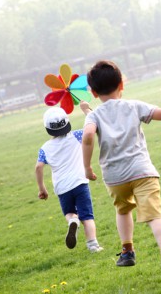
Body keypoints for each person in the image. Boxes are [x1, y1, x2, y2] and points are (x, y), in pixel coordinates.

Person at [82, 60, 161, 285]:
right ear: (122, 84)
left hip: (115, 177)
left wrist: (87, 166)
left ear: (93, 92)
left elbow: (88, 136)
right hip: (142, 171)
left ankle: (127, 251)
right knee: (155, 215)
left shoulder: (94, 116)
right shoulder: (133, 106)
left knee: (123, 211)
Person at [36, 103, 104, 253]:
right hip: (80, 182)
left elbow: (39, 167)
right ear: (67, 122)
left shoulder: (45, 148)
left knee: (69, 213)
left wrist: (42, 189)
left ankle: (72, 221)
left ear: (48, 128)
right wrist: (86, 110)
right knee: (87, 216)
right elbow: (94, 128)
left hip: (62, 188)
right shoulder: (77, 136)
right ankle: (93, 245)